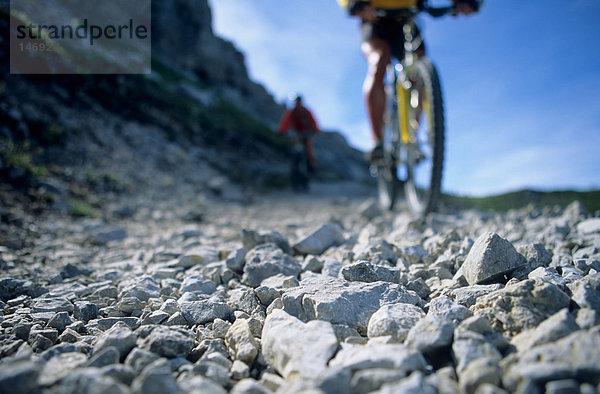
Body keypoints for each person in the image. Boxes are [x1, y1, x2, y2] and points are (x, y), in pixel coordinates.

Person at [336, 0, 479, 161]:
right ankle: (377, 142)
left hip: (407, 18)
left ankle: (412, 139)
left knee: (419, 71)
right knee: (378, 60)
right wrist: (353, 4)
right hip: (374, 19)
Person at [277, 95, 320, 172]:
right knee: (296, 148)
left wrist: (315, 130)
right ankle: (295, 166)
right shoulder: (291, 112)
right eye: (296, 101)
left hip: (307, 134)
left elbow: (313, 122)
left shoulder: (307, 112)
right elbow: (285, 122)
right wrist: (282, 131)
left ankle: (311, 167)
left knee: (309, 150)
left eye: (299, 101)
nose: (298, 103)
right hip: (297, 134)